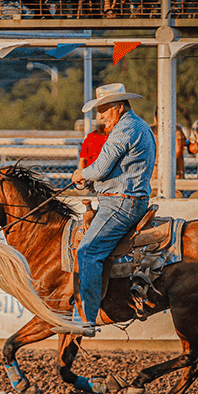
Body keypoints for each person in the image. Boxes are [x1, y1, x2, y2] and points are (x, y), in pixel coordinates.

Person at [70, 83, 155, 332]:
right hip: (129, 199)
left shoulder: (124, 130)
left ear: (119, 107)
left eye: (104, 109)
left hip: (120, 203)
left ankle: (85, 318)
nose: (101, 116)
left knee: (87, 251)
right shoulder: (140, 126)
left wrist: (80, 173)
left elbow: (99, 168)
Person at [149, 112, 186, 180]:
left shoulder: (176, 130)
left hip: (173, 173)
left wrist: (163, 164)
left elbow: (178, 152)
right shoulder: (151, 130)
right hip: (154, 174)